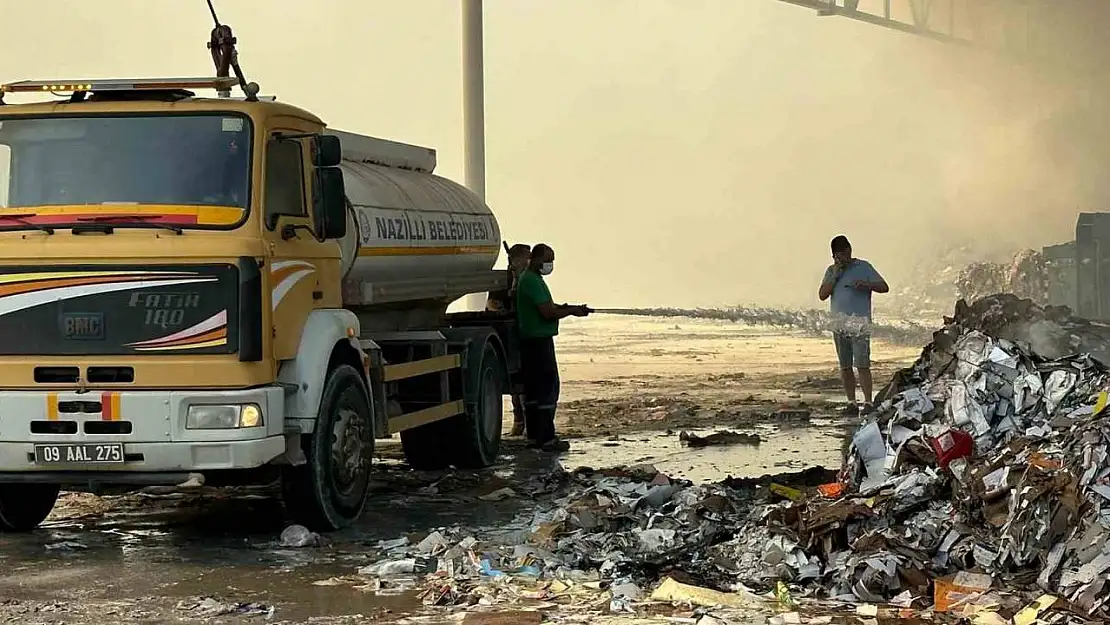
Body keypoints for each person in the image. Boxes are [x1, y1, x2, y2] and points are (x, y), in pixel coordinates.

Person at [515, 243, 590, 452]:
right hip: (538, 342)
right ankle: (546, 439)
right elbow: (547, 313)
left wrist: (568, 308)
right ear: (537, 259)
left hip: (532, 342)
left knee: (533, 392)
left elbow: (548, 306)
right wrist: (571, 312)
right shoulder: (531, 281)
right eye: (548, 260)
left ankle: (534, 437)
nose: (550, 264)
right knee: (547, 390)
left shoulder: (532, 279)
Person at [818, 235, 889, 415]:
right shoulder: (831, 271)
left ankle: (868, 401)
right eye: (841, 253)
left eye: (847, 250)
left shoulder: (863, 266)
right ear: (835, 255)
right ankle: (851, 402)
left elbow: (884, 286)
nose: (845, 255)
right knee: (845, 366)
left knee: (863, 364)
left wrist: (867, 285)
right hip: (839, 324)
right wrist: (836, 274)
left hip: (860, 324)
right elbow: (822, 294)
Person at [486, 243, 531, 436]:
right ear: (515, 259)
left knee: (525, 380)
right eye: (526, 257)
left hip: (524, 332)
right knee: (516, 381)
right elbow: (491, 303)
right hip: (508, 334)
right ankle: (519, 421)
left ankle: (526, 422)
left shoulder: (528, 279)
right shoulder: (503, 279)